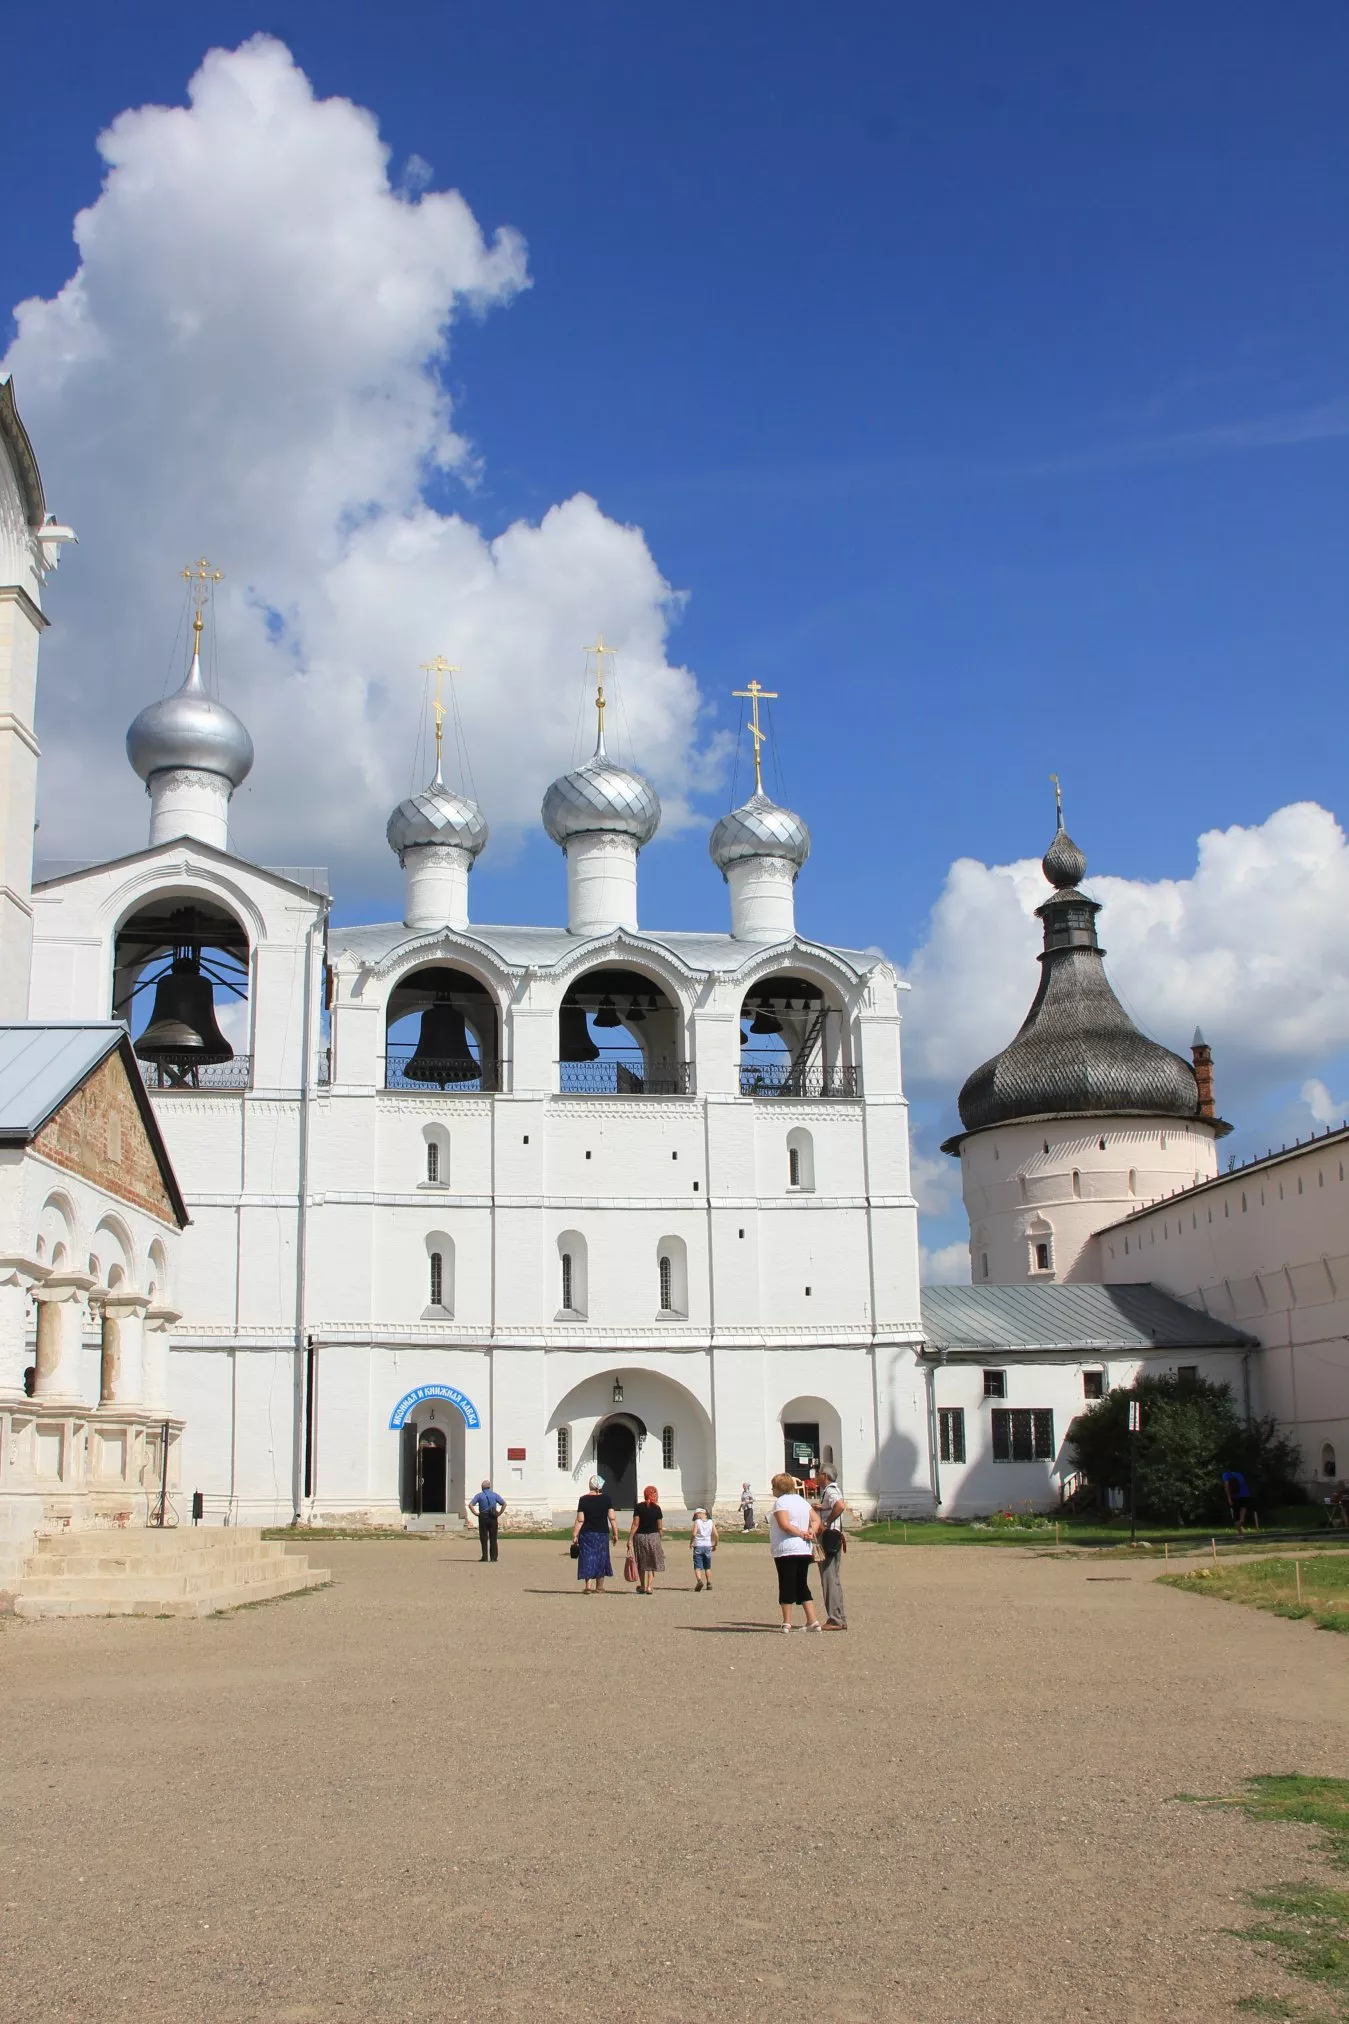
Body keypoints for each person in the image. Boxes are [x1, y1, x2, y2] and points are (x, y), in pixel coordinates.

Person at [769, 1470, 822, 1633]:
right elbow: (816, 1519)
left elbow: (784, 1524)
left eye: (773, 1487)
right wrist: (810, 1531)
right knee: (801, 1583)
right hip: (803, 1549)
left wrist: (801, 1532)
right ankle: (812, 1620)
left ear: (779, 1487)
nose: (772, 1490)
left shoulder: (781, 1503)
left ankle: (787, 1622)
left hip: (787, 1549)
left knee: (786, 1582)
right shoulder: (802, 1501)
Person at [571, 1476, 619, 1592]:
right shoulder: (607, 1499)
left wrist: (575, 1534)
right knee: (601, 1557)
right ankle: (600, 1586)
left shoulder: (583, 1499)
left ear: (590, 1485)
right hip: (602, 1533)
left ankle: (588, 1586)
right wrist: (615, 1533)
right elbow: (612, 1518)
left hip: (586, 1533)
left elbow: (580, 1519)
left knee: (587, 1557)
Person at [816, 1466, 848, 1629]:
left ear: (825, 1476)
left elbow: (840, 1506)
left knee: (828, 1577)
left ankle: (835, 1619)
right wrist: (822, 1508)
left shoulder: (830, 1490)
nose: (816, 1477)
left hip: (829, 1536)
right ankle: (840, 1617)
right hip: (835, 1535)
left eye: (818, 1474)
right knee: (833, 1578)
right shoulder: (831, 1491)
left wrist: (826, 1522)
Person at [629, 1484, 666, 1594]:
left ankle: (643, 1586)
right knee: (651, 1562)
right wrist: (660, 1536)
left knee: (641, 1562)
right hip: (653, 1537)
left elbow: (635, 1524)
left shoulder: (638, 1507)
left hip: (640, 1537)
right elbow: (659, 1527)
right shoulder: (657, 1508)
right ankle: (649, 1586)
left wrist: (629, 1539)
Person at [467, 1478, 505, 1562]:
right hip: (493, 1516)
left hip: (483, 1517)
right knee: (493, 1537)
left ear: (482, 1487)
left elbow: (470, 1505)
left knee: (484, 1537)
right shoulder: (494, 1495)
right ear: (489, 1487)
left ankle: (485, 1556)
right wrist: (499, 1513)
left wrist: (476, 1514)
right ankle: (493, 1557)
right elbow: (504, 1503)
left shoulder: (479, 1495)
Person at [690, 1508, 718, 1591]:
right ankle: (709, 1583)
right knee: (707, 1566)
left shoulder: (697, 1522)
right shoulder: (710, 1522)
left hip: (698, 1545)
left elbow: (694, 1533)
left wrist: (691, 1542)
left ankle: (699, 1581)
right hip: (707, 1546)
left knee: (697, 1566)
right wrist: (715, 1544)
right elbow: (716, 1534)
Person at [1221, 1467, 1251, 1535]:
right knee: (1242, 1512)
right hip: (1246, 1495)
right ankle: (1241, 1521)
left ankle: (1240, 1534)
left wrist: (1229, 1498)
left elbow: (1226, 1486)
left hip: (1235, 1497)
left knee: (1236, 1516)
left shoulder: (1226, 1474)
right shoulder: (1239, 1474)